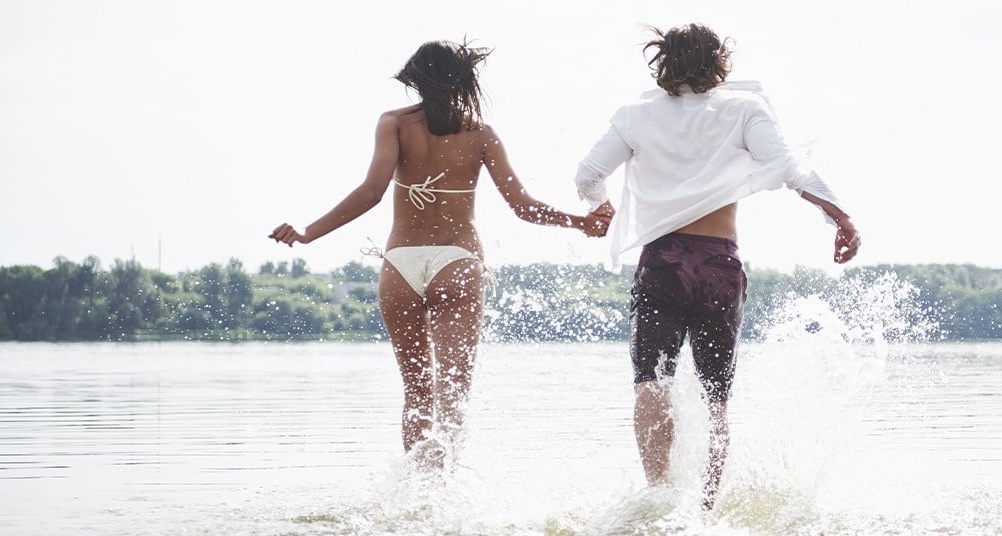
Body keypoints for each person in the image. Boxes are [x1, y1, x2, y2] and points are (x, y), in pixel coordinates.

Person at [270, 39, 610, 467]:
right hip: (458, 261)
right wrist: (579, 221)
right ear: (464, 81)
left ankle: (417, 492)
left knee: (417, 390)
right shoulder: (482, 135)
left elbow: (371, 193)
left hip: (401, 265)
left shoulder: (392, 123)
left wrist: (307, 234)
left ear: (414, 78)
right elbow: (522, 206)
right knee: (453, 389)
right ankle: (443, 491)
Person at [571, 23, 860, 509]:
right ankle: (704, 508)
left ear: (663, 63)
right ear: (719, 63)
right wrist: (840, 216)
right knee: (715, 397)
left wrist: (601, 207)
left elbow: (587, 175)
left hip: (662, 262)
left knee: (651, 382)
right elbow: (791, 168)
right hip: (719, 265)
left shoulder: (634, 116)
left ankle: (660, 496)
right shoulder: (746, 109)